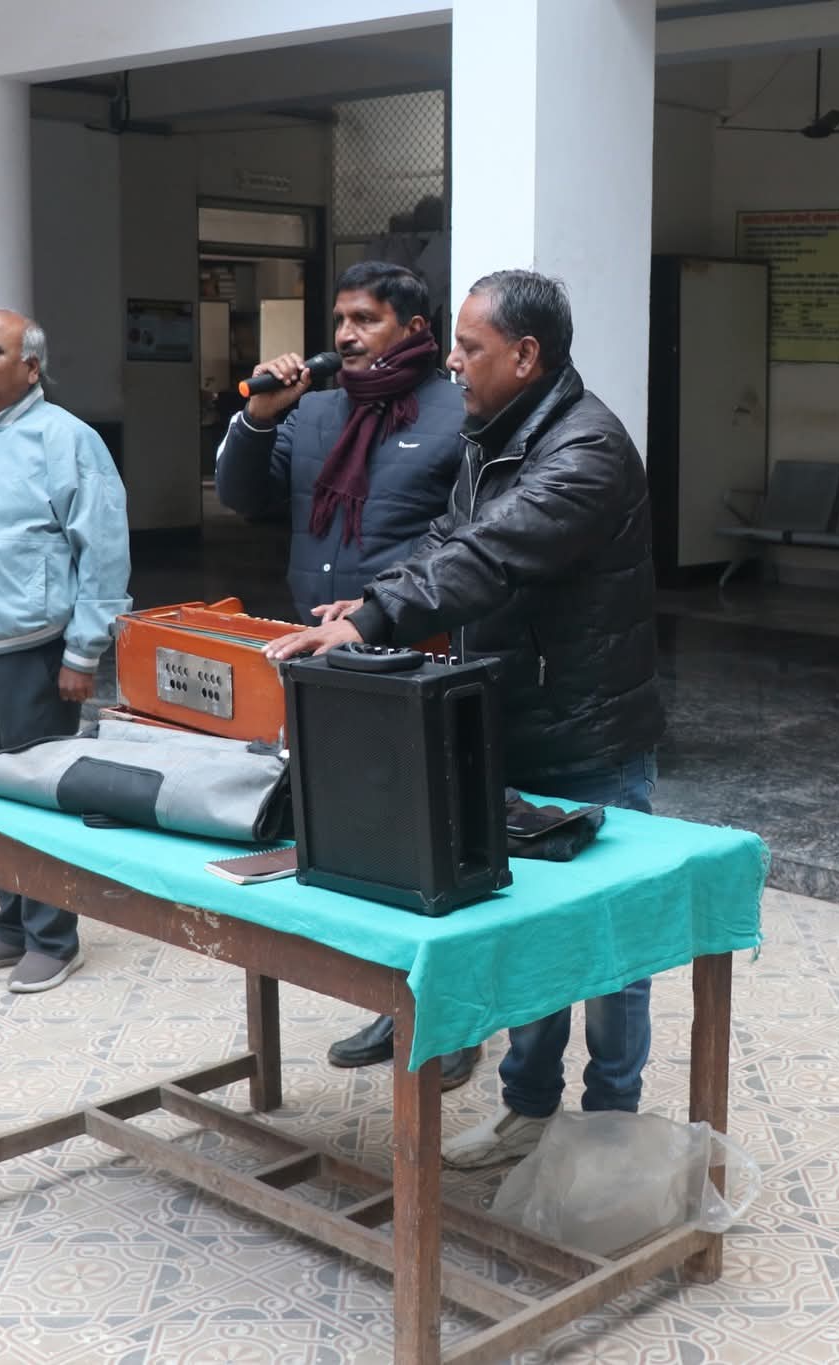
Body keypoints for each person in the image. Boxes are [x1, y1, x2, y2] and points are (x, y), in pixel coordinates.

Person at [268, 269, 666, 1170]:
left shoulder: (587, 447)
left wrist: (375, 617)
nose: (451, 360)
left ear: (524, 355)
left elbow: (492, 553)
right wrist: (369, 602)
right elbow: (448, 540)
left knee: (610, 947)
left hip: (590, 736)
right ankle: (529, 1107)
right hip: (512, 721)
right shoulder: (494, 436)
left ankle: (610, 1126)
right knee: (527, 934)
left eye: (469, 346)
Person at [214, 261, 480, 1090]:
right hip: (320, 656)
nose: (344, 335)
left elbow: (463, 535)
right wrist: (257, 417)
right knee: (360, 833)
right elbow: (243, 497)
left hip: (413, 655)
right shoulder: (315, 410)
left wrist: (382, 604)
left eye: (365, 319)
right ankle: (392, 1002)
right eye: (340, 320)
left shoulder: (456, 412)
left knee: (429, 836)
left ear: (413, 327)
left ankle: (454, 1019)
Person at [0, 309, 131, 993]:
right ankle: (11, 922)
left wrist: (83, 653)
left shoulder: (67, 440)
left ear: (31, 366)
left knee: (38, 801)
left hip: (33, 657)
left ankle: (53, 938)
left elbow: (103, 552)